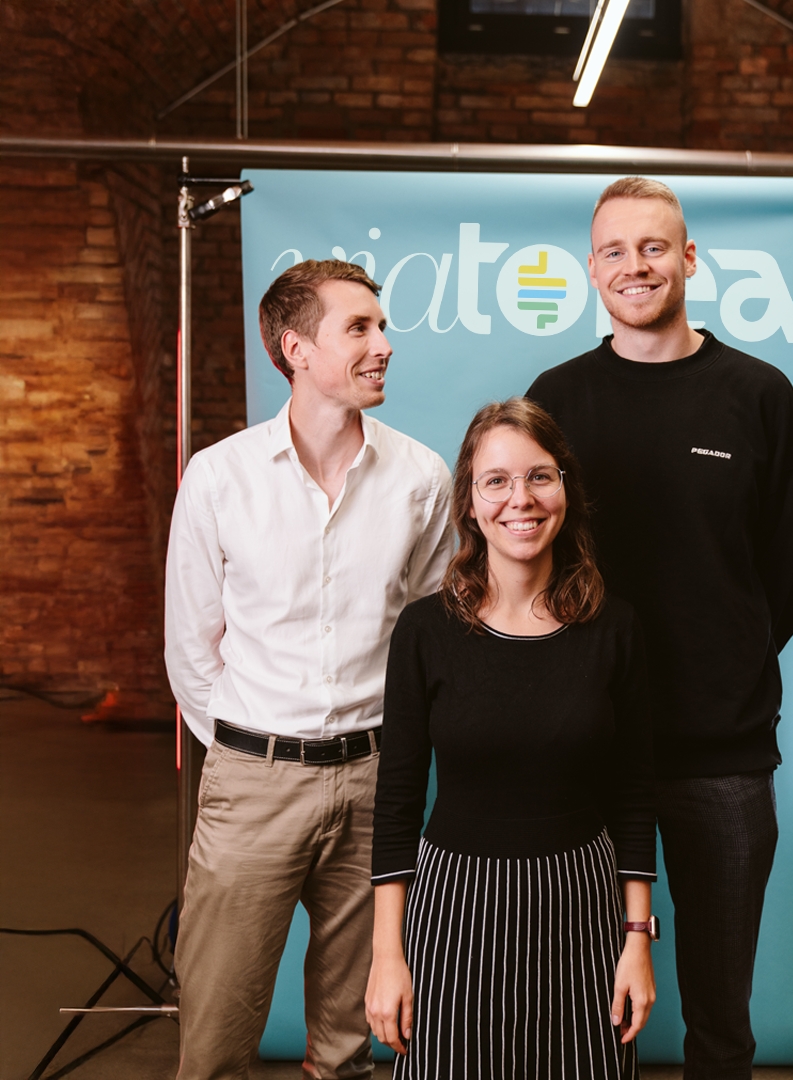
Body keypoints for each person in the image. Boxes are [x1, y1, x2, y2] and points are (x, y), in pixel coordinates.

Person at [527, 178, 793, 1080]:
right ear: (591, 270)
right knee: (579, 1006)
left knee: (720, 1022)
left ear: (688, 259)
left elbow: (782, 576)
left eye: (653, 248)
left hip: (721, 755)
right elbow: (529, 551)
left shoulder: (759, 396)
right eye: (614, 251)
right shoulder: (556, 398)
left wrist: (720, 662)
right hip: (586, 748)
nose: (635, 266)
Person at [164, 259, 453, 1080]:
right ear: (296, 348)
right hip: (253, 781)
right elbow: (190, 644)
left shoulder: (421, 479)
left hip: (376, 782)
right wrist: (244, 747)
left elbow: (430, 637)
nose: (384, 344)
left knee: (350, 1044)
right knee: (216, 1036)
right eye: (359, 328)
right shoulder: (219, 477)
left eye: (381, 325)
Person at [365, 398, 658, 1080]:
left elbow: (634, 793)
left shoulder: (616, 629)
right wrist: (387, 954)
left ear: (565, 490)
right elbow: (398, 799)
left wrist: (636, 940)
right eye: (495, 480)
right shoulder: (424, 632)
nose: (519, 499)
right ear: (469, 502)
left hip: (579, 905)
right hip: (454, 907)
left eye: (539, 477)